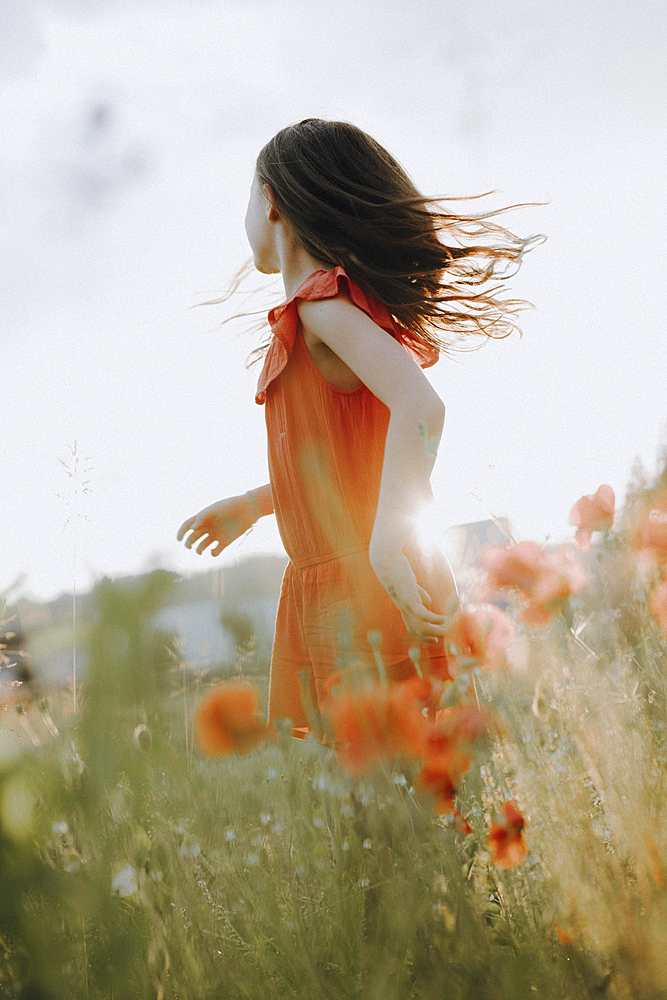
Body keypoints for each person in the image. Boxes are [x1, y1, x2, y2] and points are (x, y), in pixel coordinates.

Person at [178, 119, 536, 736]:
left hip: (365, 587)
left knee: (385, 798)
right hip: (341, 585)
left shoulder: (320, 307)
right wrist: (258, 504)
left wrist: (387, 543)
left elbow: (422, 408)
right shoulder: (319, 314)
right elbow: (351, 465)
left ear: (270, 204)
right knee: (386, 800)